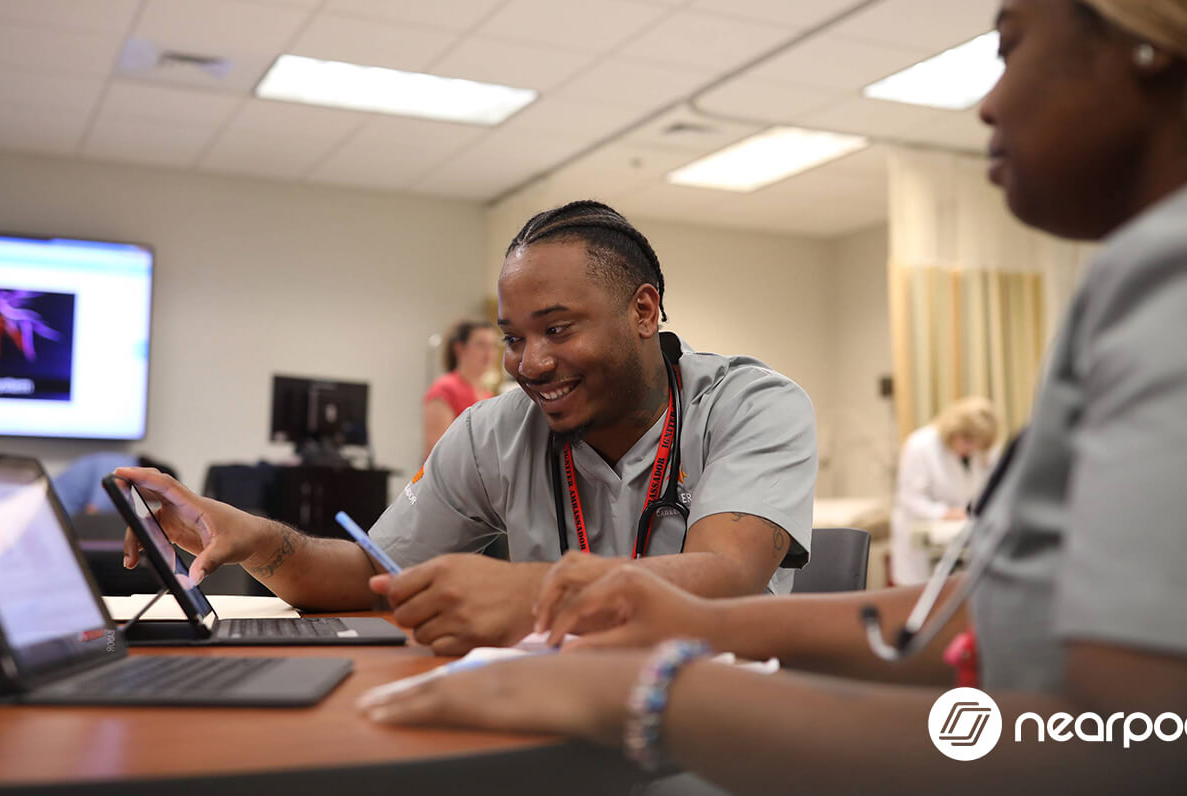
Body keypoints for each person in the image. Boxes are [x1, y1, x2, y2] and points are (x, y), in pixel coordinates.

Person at [354, 2, 1187, 792]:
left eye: (1010, 43)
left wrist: (655, 693)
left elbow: (1151, 745)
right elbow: (988, 618)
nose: (990, 99)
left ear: (1146, 42)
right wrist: (701, 623)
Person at [118, 200, 819, 655]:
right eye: (513, 336)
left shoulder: (751, 405)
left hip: (709, 710)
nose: (530, 363)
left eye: (558, 329)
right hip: (553, 708)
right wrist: (258, 539)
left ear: (643, 311)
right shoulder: (495, 432)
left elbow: (727, 575)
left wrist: (528, 593)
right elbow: (372, 576)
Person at [890, 396, 1000, 584]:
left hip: (959, 539)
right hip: (921, 543)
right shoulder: (920, 445)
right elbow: (910, 498)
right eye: (967, 440)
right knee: (920, 599)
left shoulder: (979, 453)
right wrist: (944, 513)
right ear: (954, 430)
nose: (971, 448)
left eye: (977, 443)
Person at [422, 319, 498, 461]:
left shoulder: (487, 394)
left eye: (493, 346)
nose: (489, 353)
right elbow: (437, 450)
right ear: (460, 348)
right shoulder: (444, 388)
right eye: (481, 345)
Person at [52, 451, 178, 517]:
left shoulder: (127, 464)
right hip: (54, 513)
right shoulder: (122, 472)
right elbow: (94, 516)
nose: (156, 501)